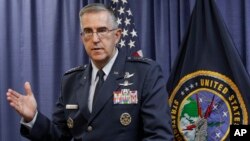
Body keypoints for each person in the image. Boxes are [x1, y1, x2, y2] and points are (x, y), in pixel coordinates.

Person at [6, 3, 173, 141]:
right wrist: (33, 118)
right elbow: (59, 137)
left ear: (117, 35)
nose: (95, 39)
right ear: (82, 37)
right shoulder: (70, 80)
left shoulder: (145, 73)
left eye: (102, 30)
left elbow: (159, 137)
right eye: (88, 31)